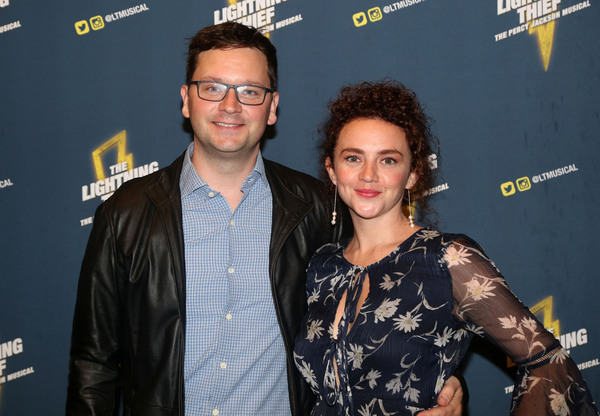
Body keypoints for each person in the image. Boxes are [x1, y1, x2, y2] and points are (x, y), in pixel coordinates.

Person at [66, 23, 464, 416]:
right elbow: (93, 364)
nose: (230, 106)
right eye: (213, 88)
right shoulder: (125, 215)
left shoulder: (320, 210)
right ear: (187, 100)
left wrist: (440, 382)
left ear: (272, 107)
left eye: (250, 92)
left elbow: (384, 318)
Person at [294, 80, 600, 415]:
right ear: (332, 170)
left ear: (412, 174)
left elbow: (549, 363)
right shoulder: (322, 266)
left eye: (388, 160)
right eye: (353, 158)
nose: (368, 175)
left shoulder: (446, 259)